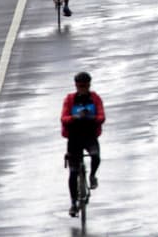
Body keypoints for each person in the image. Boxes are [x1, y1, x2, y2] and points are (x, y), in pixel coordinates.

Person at [61, 71, 106, 217]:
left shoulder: (95, 98)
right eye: (80, 86)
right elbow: (63, 118)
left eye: (85, 86)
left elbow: (102, 116)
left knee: (95, 156)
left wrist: (92, 117)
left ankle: (92, 176)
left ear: (89, 85)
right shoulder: (69, 99)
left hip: (90, 135)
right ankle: (73, 203)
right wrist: (74, 117)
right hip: (74, 137)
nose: (83, 88)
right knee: (73, 172)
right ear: (76, 85)